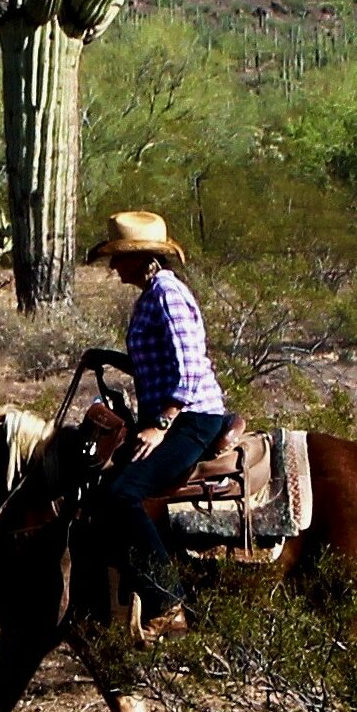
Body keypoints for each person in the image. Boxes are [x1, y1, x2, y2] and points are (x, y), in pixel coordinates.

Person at [88, 210, 228, 634]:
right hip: (174, 414)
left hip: (192, 418)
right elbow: (158, 364)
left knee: (122, 494)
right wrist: (110, 359)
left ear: (144, 258)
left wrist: (161, 424)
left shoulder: (167, 294)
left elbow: (187, 368)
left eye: (120, 257)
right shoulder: (151, 296)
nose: (113, 267)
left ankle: (168, 603)